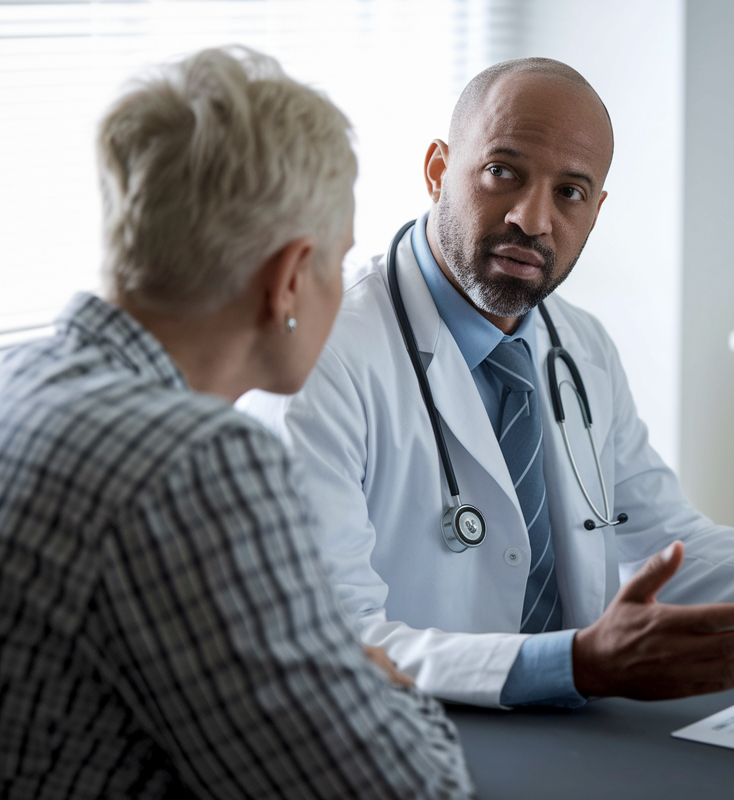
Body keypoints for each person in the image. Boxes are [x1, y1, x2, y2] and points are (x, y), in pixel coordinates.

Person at [239, 57, 734, 710]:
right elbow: (333, 635)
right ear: (440, 169)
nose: (533, 219)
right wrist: (569, 664)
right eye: (503, 172)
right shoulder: (318, 356)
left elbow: (665, 547)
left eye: (570, 193)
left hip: (577, 726)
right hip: (414, 731)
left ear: (597, 209)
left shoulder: (580, 346)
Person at [0, 47, 472, 799]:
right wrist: (378, 688)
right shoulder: (195, 463)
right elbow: (402, 791)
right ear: (289, 278)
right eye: (339, 260)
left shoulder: (16, 379)